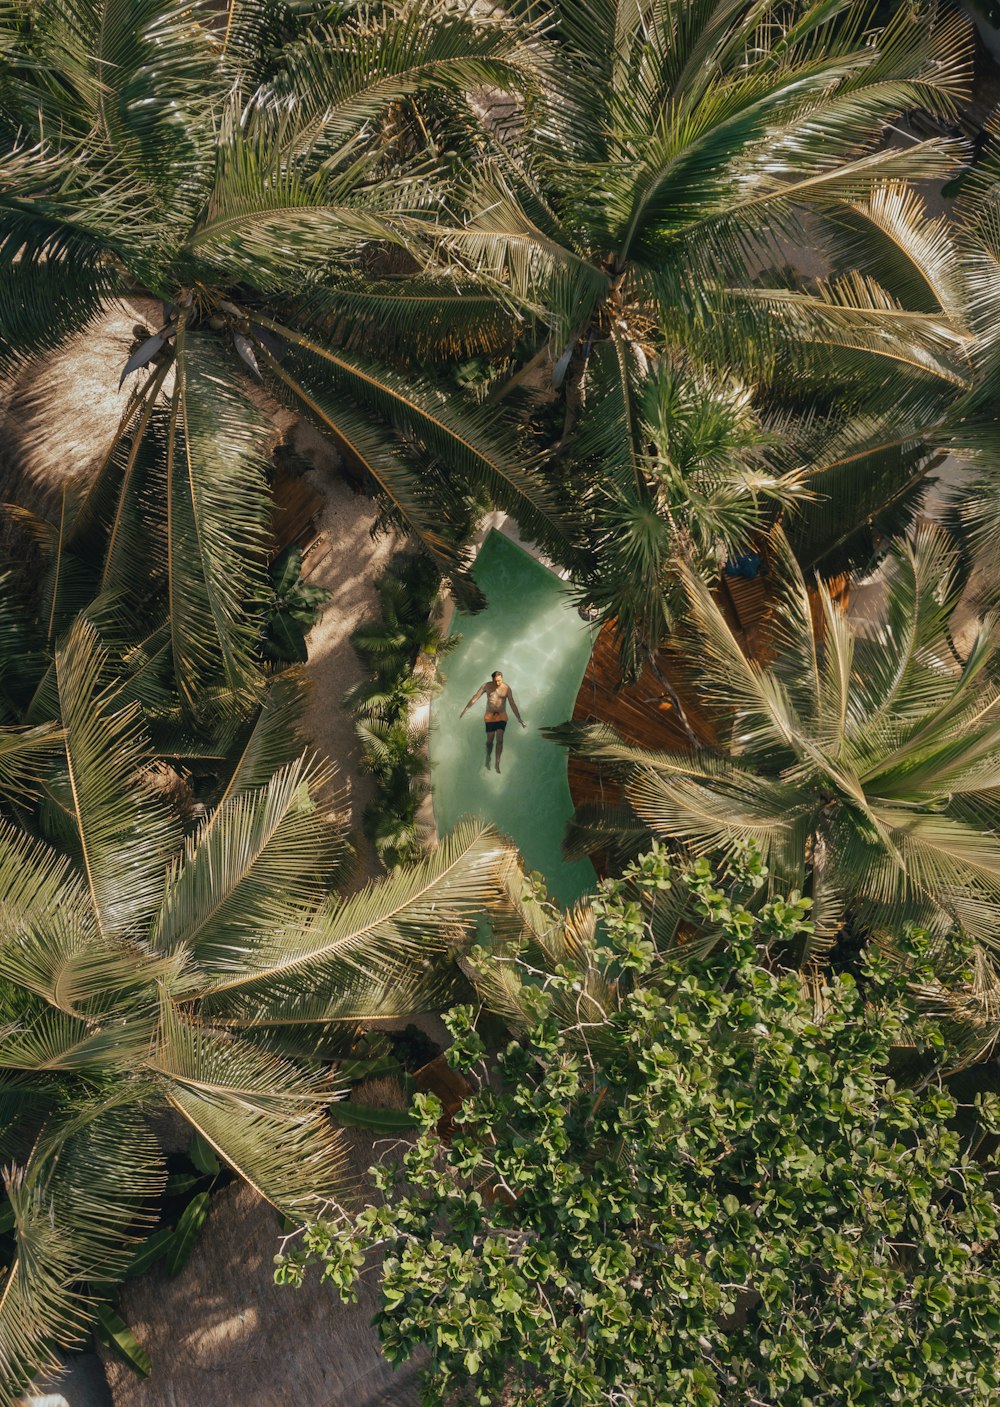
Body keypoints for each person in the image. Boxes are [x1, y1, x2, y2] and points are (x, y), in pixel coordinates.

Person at [459, 669, 525, 773]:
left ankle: (497, 762)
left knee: (500, 739)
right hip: (489, 716)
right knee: (490, 740)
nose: (497, 683)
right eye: (495, 681)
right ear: (492, 679)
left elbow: (512, 704)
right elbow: (475, 698)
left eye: (499, 680)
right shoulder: (486, 686)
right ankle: (488, 757)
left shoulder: (506, 688)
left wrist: (519, 719)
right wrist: (465, 710)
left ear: (502, 679)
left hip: (502, 716)